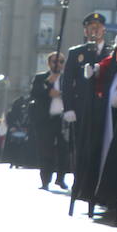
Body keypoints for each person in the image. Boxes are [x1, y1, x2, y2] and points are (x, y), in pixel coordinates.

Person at [61, 12, 111, 206]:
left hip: (103, 108)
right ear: (85, 30)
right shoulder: (77, 52)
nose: (95, 30)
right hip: (82, 109)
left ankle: (98, 190)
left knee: (101, 147)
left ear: (103, 29)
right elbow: (67, 83)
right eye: (91, 27)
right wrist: (68, 108)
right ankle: (81, 187)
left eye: (98, 27)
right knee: (81, 149)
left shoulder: (111, 51)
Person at [28, 51, 66, 190]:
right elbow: (34, 93)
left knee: (64, 150)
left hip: (62, 119)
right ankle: (45, 179)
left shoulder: (67, 77)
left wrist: (61, 94)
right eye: (55, 61)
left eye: (61, 61)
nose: (58, 64)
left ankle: (60, 178)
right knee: (45, 150)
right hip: (46, 119)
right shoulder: (41, 77)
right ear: (49, 63)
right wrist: (48, 87)